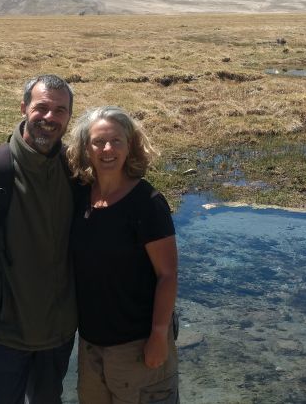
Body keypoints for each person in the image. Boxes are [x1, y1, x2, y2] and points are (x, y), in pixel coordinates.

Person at [0, 74, 78, 404]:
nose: (50, 118)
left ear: (69, 117)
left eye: (60, 110)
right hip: (4, 336)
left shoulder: (74, 169)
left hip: (58, 334)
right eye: (41, 107)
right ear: (23, 108)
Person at [67, 106, 179, 404]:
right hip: (91, 344)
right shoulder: (79, 196)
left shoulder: (147, 204)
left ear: (130, 145)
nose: (108, 149)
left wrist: (158, 335)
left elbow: (167, 276)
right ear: (85, 149)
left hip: (138, 344)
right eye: (98, 142)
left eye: (116, 141)